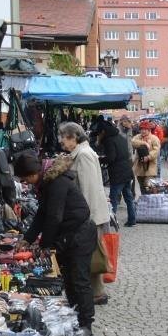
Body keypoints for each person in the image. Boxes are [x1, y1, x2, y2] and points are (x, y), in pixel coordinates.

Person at [15, 152, 97, 336]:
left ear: (33, 172)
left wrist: (44, 245)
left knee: (79, 281)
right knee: (69, 279)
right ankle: (76, 318)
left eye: (26, 179)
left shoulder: (56, 182)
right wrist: (28, 239)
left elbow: (54, 217)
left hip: (79, 235)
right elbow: (42, 214)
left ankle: (86, 325)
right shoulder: (47, 183)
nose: (26, 183)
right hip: (68, 236)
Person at [58, 122, 112, 305]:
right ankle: (97, 293)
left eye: (64, 138)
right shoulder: (81, 153)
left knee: (88, 254)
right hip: (90, 214)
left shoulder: (83, 155)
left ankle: (94, 294)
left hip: (90, 214)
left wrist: (84, 216)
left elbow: (88, 188)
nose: (61, 142)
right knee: (92, 253)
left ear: (74, 137)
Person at [99, 118, 136, 227]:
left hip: (117, 173)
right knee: (128, 197)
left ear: (103, 132)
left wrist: (100, 159)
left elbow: (111, 157)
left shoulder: (109, 140)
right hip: (126, 170)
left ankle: (112, 221)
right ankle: (132, 220)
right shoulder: (121, 137)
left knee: (113, 198)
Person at [131, 122, 161, 194]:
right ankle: (144, 201)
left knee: (148, 186)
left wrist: (148, 157)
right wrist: (144, 143)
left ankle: (150, 202)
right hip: (139, 166)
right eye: (141, 129)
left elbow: (156, 151)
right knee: (141, 186)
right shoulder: (138, 137)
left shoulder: (154, 138)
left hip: (150, 166)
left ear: (149, 130)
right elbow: (133, 142)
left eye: (145, 129)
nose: (143, 131)